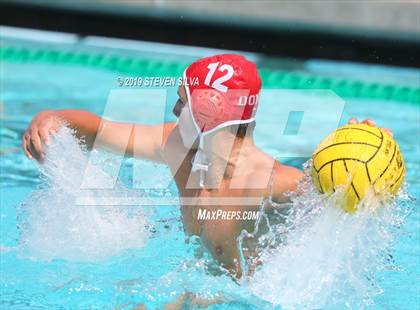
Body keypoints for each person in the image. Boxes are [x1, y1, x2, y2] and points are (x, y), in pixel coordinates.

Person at [22, 54, 391, 279]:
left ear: (206, 112)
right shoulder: (179, 147)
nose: (174, 111)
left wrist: (363, 167)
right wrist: (52, 117)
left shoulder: (278, 185)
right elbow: (99, 130)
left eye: (182, 101)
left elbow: (349, 210)